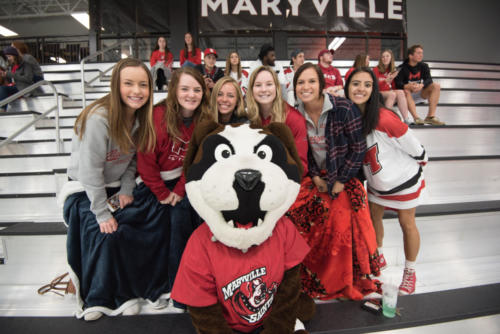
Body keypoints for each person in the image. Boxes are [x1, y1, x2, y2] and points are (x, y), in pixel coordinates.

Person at [61, 58, 170, 321]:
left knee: (149, 218)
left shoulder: (141, 118)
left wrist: (127, 188)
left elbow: (133, 160)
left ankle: (136, 290)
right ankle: (100, 297)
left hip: (117, 188)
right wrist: (101, 212)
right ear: (115, 86)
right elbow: (90, 173)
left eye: (143, 85)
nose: (137, 91)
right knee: (107, 231)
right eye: (129, 84)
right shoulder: (100, 118)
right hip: (84, 191)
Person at [286, 63, 380, 300]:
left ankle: (339, 279)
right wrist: (317, 176)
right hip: (316, 176)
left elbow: (358, 148)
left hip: (344, 176)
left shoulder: (344, 108)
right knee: (295, 212)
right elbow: (304, 151)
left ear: (321, 84)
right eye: (300, 82)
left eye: (311, 81)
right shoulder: (295, 113)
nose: (305, 87)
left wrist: (341, 180)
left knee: (338, 219)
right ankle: (306, 276)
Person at [346, 67, 428, 295]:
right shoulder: (349, 117)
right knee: (374, 219)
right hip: (376, 183)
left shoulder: (383, 117)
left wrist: (422, 162)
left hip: (403, 180)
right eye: (355, 84)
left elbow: (415, 147)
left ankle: (410, 272)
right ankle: (376, 257)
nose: (360, 89)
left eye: (366, 84)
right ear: (347, 88)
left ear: (374, 90)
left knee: (406, 223)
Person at [137, 66, 211, 311]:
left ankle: (187, 288)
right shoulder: (157, 114)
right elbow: (145, 161)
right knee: (157, 224)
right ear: (174, 90)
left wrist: (179, 191)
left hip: (186, 182)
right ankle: (163, 287)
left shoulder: (205, 118)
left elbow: (196, 160)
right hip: (154, 183)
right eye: (185, 89)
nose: (191, 95)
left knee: (185, 219)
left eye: (197, 89)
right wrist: (161, 193)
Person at [246, 65, 308, 176]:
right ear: (251, 90)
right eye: (258, 85)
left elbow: (301, 167)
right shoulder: (248, 118)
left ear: (277, 88)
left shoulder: (294, 119)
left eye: (269, 84)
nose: (264, 89)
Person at [395, 45, 444, 125]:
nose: (421, 55)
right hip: (407, 95)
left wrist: (422, 85)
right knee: (406, 90)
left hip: (419, 93)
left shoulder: (424, 66)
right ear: (410, 56)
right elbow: (397, 84)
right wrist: (408, 86)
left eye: (422, 53)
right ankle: (416, 118)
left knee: (436, 86)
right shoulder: (401, 68)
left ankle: (430, 117)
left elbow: (429, 80)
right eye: (418, 53)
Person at [373, 49, 411, 124]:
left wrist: (391, 80)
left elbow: (393, 87)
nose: (385, 58)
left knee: (400, 92)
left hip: (388, 92)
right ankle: (386, 118)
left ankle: (406, 119)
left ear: (391, 58)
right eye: (383, 57)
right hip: (378, 93)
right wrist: (385, 81)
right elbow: (374, 86)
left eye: (387, 56)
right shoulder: (376, 69)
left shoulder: (393, 70)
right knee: (392, 94)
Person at [0, 46, 35, 112]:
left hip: (24, 87)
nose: (8, 58)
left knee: (2, 89)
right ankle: (2, 108)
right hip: (15, 86)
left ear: (15, 56)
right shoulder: (11, 66)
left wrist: (10, 74)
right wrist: (4, 75)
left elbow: (28, 79)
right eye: (7, 57)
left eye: (10, 56)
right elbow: (12, 78)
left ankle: (2, 108)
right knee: (2, 88)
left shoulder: (26, 65)